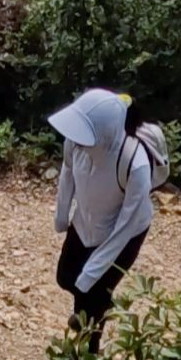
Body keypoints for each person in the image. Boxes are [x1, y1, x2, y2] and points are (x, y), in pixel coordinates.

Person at [47, 87, 156, 346]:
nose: (77, 140)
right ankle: (92, 309)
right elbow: (68, 172)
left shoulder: (135, 164)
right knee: (67, 277)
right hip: (85, 221)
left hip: (122, 234)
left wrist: (92, 274)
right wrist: (62, 216)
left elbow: (126, 227)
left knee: (93, 292)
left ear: (105, 133)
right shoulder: (74, 141)